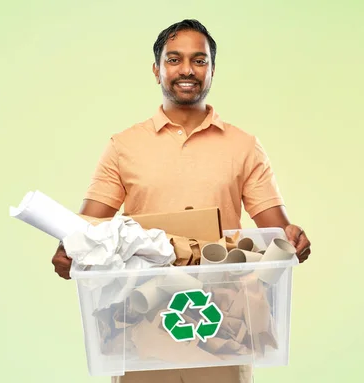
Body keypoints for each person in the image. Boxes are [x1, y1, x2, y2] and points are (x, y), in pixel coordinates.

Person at [52, 19, 311, 383]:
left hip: (221, 321)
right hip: (140, 323)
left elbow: (277, 228)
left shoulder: (243, 146)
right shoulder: (124, 146)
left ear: (212, 70)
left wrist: (293, 237)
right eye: (174, 59)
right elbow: (86, 228)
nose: (187, 69)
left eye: (199, 60)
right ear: (157, 69)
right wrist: (71, 250)